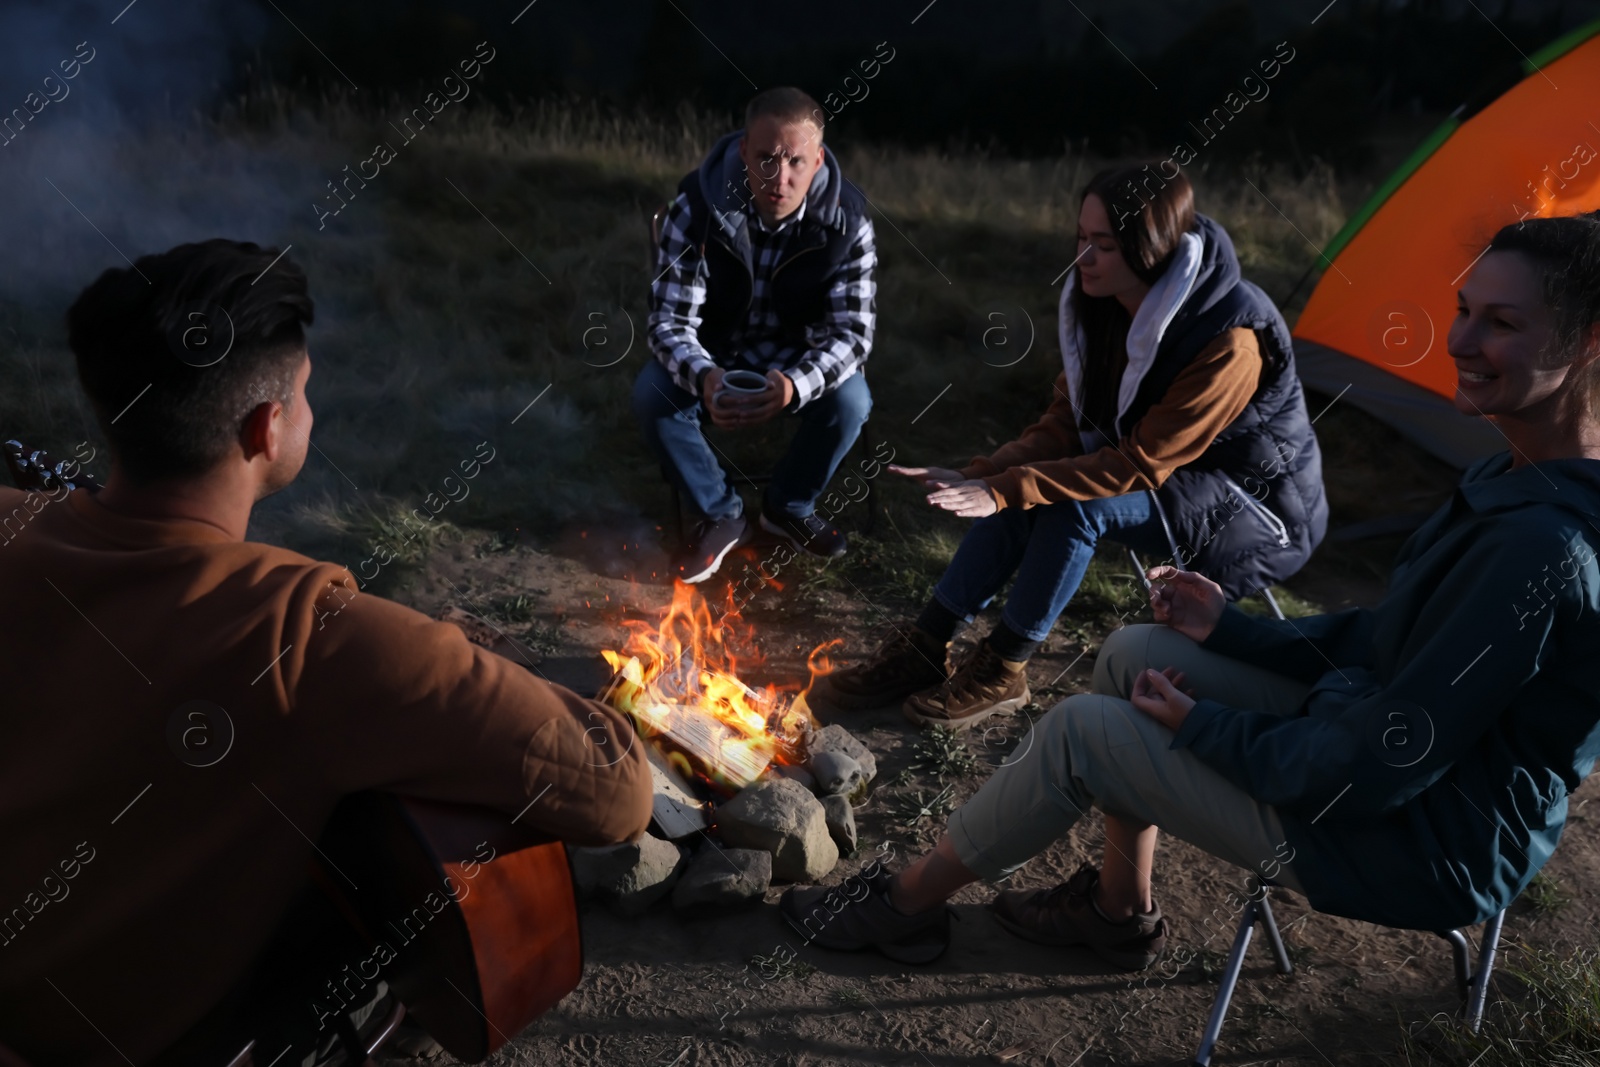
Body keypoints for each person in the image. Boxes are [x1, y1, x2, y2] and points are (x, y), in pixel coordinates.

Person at [782, 212, 1600, 970]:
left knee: (1083, 732)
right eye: (1464, 309)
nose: (1459, 338)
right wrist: (1231, 631)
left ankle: (906, 904)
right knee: (1140, 648)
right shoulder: (1510, 477)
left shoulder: (1542, 548)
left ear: (1589, 343)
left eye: (1501, 323)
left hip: (1413, 840)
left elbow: (1374, 765)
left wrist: (1210, 726)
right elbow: (1390, 638)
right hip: (1366, 752)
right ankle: (1116, 910)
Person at [0, 240, 653, 1066]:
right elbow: (615, 787)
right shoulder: (308, 633)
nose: (310, 409)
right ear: (266, 429)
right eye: (304, 394)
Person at [824, 163, 1327, 728]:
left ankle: (1004, 668)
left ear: (1152, 248)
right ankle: (925, 645)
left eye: (1104, 245)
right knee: (1026, 488)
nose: (1082, 258)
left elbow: (1139, 462)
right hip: (1168, 474)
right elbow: (1068, 423)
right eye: (1080, 239)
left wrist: (1008, 488)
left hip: (1252, 505)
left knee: (1067, 505)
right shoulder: (1107, 303)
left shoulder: (1230, 341)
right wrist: (985, 477)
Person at [636, 85, 876, 583]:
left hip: (797, 358)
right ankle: (721, 514)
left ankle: (788, 506)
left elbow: (852, 335)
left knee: (851, 400)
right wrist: (705, 376)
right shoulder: (696, 208)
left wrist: (795, 386)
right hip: (715, 352)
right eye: (765, 158)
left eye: (795, 162)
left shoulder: (848, 222)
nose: (779, 178)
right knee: (652, 392)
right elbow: (668, 323)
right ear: (743, 150)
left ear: (818, 159)